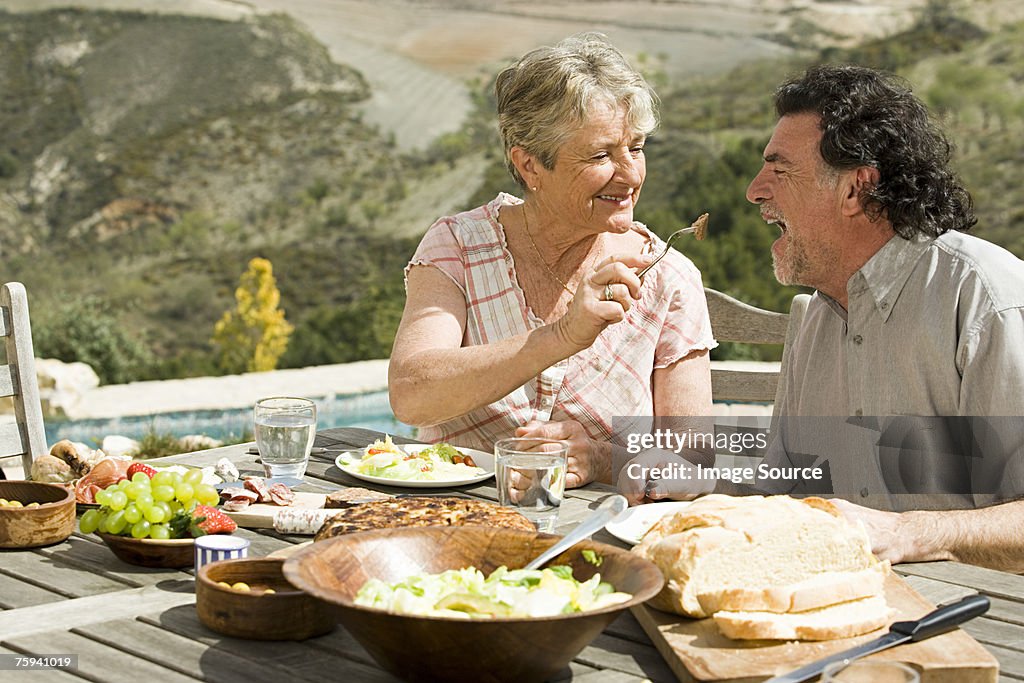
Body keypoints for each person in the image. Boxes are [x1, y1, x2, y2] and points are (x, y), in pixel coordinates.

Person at [387, 33, 716, 489]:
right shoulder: (460, 245)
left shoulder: (669, 277)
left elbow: (695, 467)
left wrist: (603, 460)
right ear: (530, 166)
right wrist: (562, 335)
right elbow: (410, 396)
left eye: (637, 148)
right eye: (601, 155)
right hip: (455, 522)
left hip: (601, 536)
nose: (631, 174)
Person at [743, 64, 1024, 572]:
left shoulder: (985, 298)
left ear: (856, 189)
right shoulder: (814, 316)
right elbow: (779, 490)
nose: (755, 191)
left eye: (779, 170)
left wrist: (908, 532)